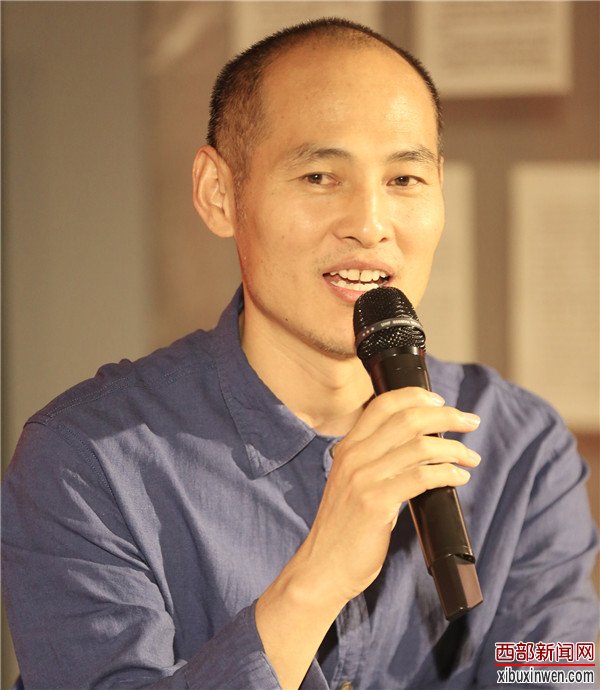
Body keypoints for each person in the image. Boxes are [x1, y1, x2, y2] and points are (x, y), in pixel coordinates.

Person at [2, 17, 598, 690]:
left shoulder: (522, 448)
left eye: (404, 179)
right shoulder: (86, 461)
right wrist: (318, 578)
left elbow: (555, 671)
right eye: (319, 176)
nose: (370, 224)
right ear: (219, 193)